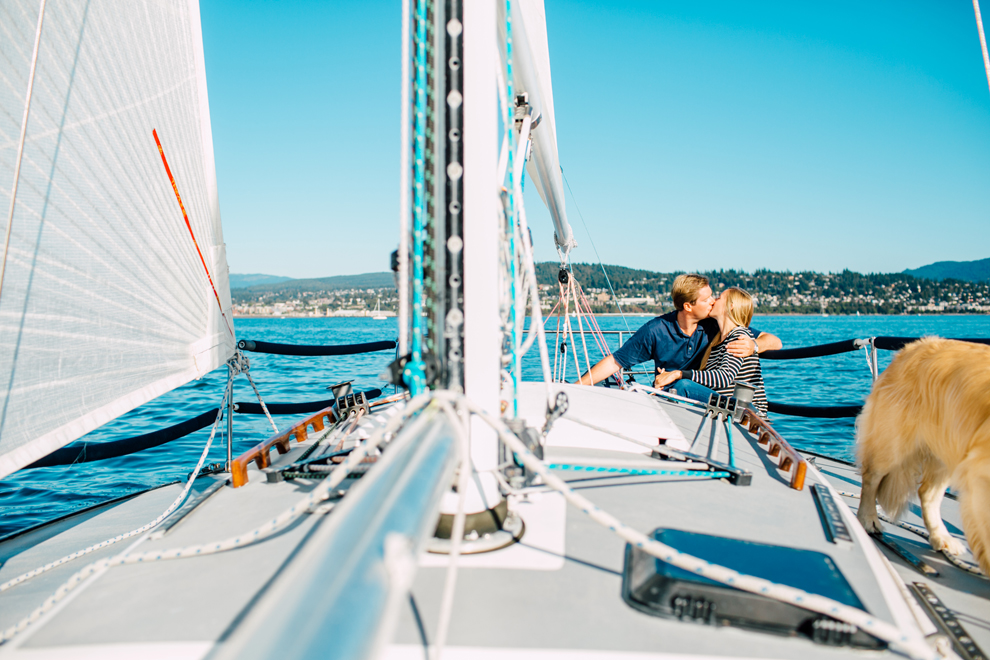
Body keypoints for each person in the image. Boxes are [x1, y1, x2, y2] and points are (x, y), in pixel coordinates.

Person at [577, 274, 781, 386]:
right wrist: (577, 387)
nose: (713, 301)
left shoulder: (715, 325)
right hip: (672, 394)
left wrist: (754, 346)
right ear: (688, 306)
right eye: (707, 299)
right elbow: (615, 361)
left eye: (713, 296)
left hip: (696, 391)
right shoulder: (656, 330)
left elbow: (774, 341)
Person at [653, 287, 769, 417]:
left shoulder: (738, 337)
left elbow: (724, 377)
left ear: (730, 306)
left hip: (744, 412)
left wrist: (678, 374)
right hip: (724, 405)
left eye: (719, 298)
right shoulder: (717, 340)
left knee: (683, 385)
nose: (713, 300)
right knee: (674, 387)